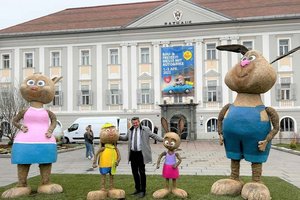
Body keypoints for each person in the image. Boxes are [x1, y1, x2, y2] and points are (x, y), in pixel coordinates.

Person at [119, 117, 163, 198]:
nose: (135, 124)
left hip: (141, 154)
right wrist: (117, 136)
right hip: (133, 154)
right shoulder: (130, 130)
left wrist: (163, 139)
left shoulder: (145, 129)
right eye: (133, 123)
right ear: (132, 123)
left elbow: (154, 135)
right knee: (135, 172)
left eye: (136, 122)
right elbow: (125, 138)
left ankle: (143, 190)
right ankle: (137, 189)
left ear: (139, 122)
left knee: (142, 172)